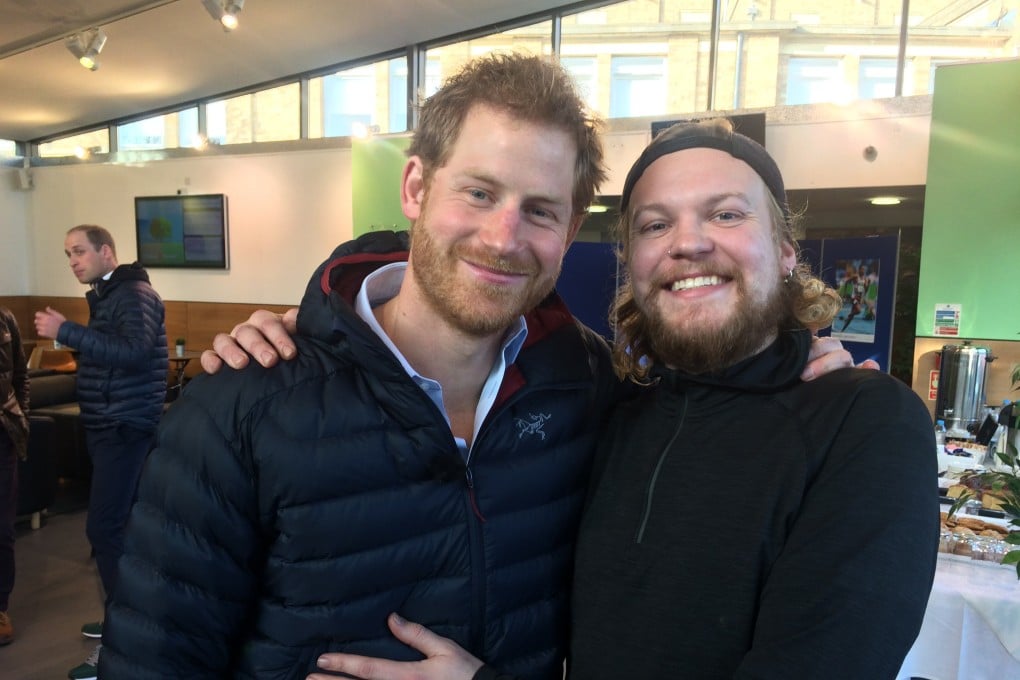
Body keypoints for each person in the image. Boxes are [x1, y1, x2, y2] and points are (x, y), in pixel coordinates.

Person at [297, 120, 939, 680]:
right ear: (632, 262)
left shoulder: (864, 423)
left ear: (786, 250)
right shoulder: (611, 405)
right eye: (656, 224)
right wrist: (323, 336)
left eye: (726, 214)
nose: (688, 242)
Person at [33, 225, 168, 680]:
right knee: (120, 528)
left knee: (105, 528)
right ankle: (125, 619)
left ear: (106, 251)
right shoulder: (110, 294)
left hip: (123, 426)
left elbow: (133, 352)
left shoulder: (132, 294)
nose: (73, 261)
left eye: (79, 252)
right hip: (112, 424)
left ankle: (123, 638)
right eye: (68, 254)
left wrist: (67, 331)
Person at [0, 306, 29, 646]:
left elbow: (21, 375)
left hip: (3, 437)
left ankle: (0, 607)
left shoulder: (6, 319)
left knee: (3, 529)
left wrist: (22, 418)